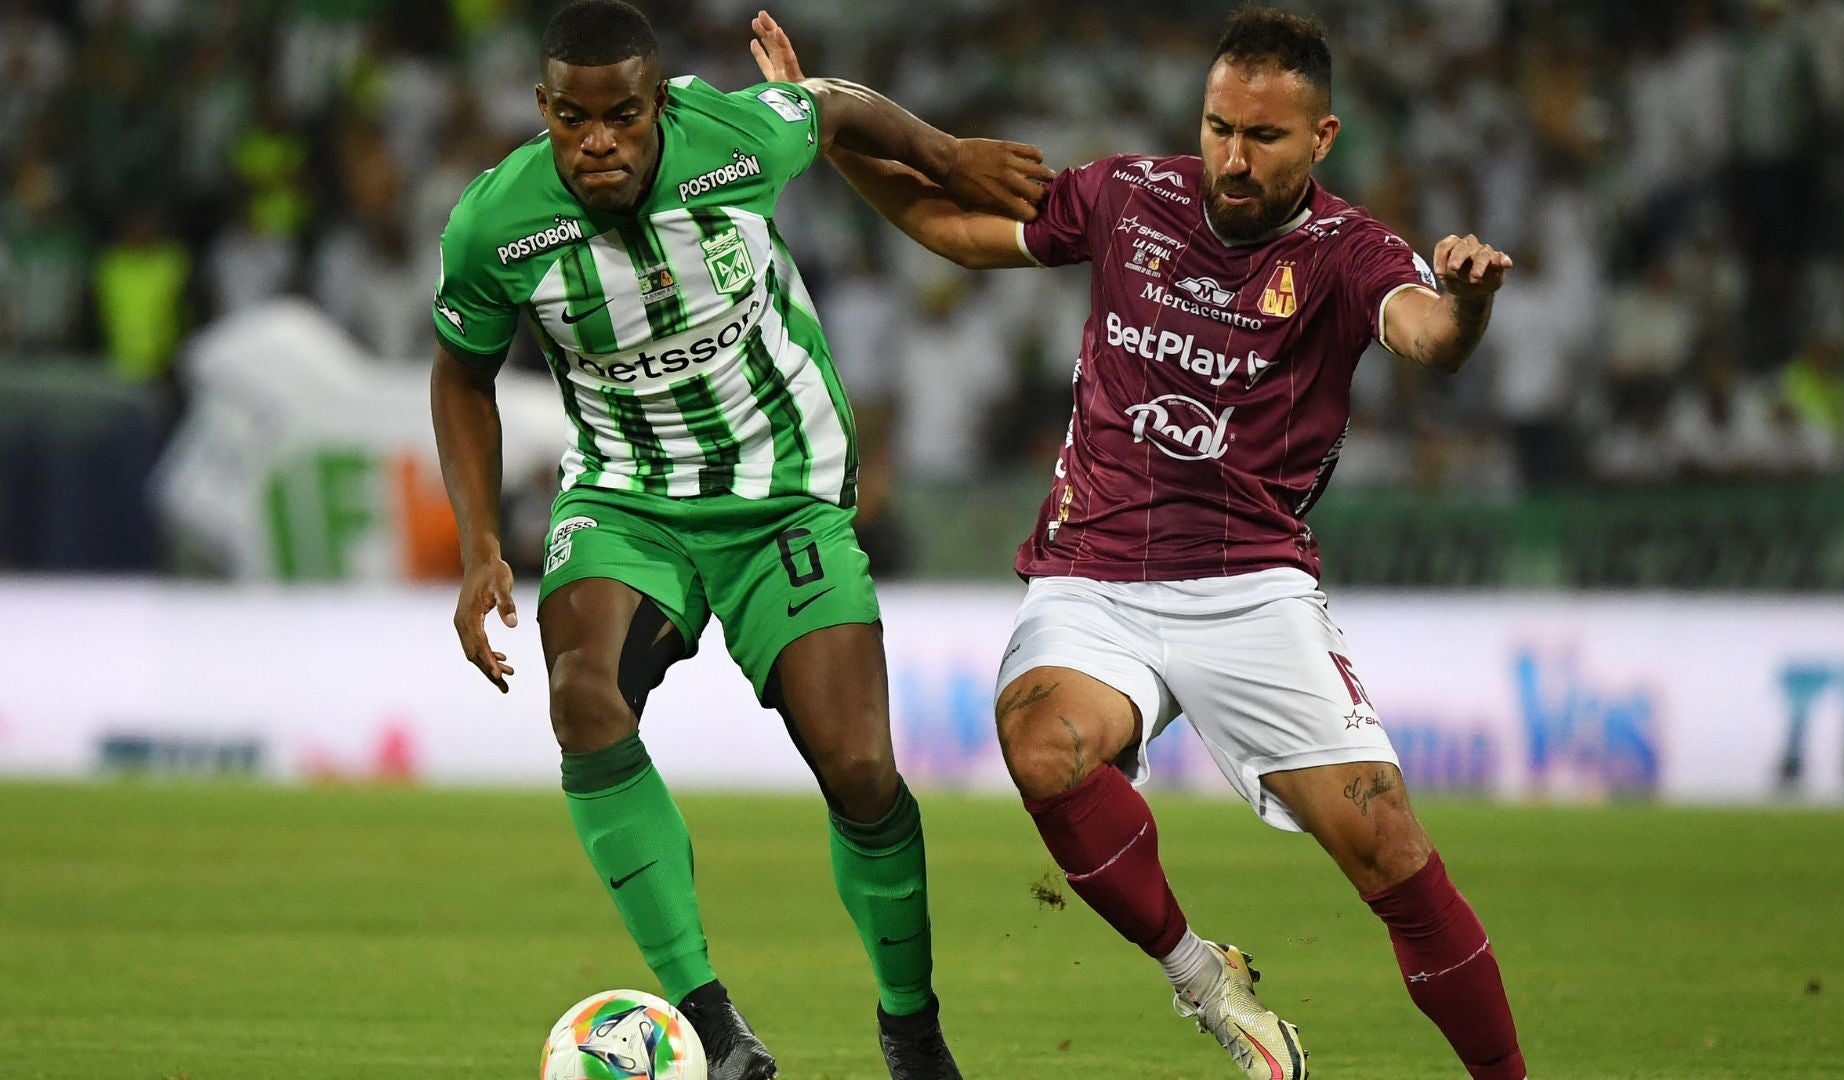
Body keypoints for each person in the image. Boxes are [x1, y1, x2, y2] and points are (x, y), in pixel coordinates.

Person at [751, 7, 1526, 1079]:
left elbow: (1429, 336)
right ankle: (1205, 980)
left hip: (1251, 586)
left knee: (1388, 847)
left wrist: (1470, 306)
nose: (1234, 157)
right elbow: (949, 229)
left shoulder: (1348, 252)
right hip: (1092, 577)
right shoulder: (1129, 197)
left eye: (1264, 138)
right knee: (1039, 741)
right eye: (1218, 128)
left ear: (1323, 139)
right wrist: (827, 132)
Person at [429, 4, 1051, 1079]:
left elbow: (835, 105)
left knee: (860, 770)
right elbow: (460, 376)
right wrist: (481, 540)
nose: (599, 141)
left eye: (622, 114)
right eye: (573, 118)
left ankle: (911, 1028)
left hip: (786, 498)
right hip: (628, 498)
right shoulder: (492, 225)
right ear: (543, 111)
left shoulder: (735, 139)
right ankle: (716, 1031)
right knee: (582, 698)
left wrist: (945, 156)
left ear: (658, 102)